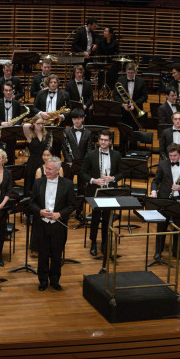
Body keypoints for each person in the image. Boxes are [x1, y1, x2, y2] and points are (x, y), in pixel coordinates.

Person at [30, 156, 75, 291]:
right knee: (42, 255)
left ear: (57, 170)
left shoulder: (67, 184)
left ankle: (55, 280)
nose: (46, 171)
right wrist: (40, 212)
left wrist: (59, 214)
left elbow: (72, 206)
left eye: (49, 169)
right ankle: (43, 281)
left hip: (58, 226)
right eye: (45, 168)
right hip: (42, 225)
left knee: (56, 255)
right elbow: (31, 203)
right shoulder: (38, 183)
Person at [80, 129, 122, 257]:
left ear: (110, 142)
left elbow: (122, 173)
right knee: (95, 218)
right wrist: (94, 180)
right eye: (101, 139)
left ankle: (105, 243)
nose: (103, 142)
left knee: (107, 219)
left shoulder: (116, 155)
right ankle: (93, 242)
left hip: (109, 191)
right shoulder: (91, 154)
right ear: (98, 140)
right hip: (95, 191)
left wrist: (113, 178)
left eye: (106, 140)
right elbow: (82, 173)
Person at [149, 143, 180, 262]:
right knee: (161, 226)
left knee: (179, 227)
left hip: (179, 200)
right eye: (170, 156)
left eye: (175, 156)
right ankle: (158, 251)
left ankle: (176, 252)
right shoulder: (163, 164)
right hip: (164, 199)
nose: (172, 158)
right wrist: (153, 191)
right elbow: (155, 181)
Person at [23, 114, 52, 194]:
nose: (40, 126)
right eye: (38, 124)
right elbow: (25, 125)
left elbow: (50, 150)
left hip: (44, 162)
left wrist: (38, 121)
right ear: (33, 124)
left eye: (42, 124)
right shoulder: (29, 134)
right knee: (31, 185)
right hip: (32, 163)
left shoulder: (48, 135)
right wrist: (37, 118)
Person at [115, 63, 148, 130]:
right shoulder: (120, 80)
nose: (130, 75)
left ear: (135, 71)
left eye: (132, 73)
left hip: (136, 110)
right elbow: (115, 95)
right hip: (123, 110)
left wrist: (135, 104)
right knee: (123, 132)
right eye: (128, 72)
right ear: (126, 71)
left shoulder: (141, 81)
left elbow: (145, 96)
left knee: (135, 131)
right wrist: (123, 104)